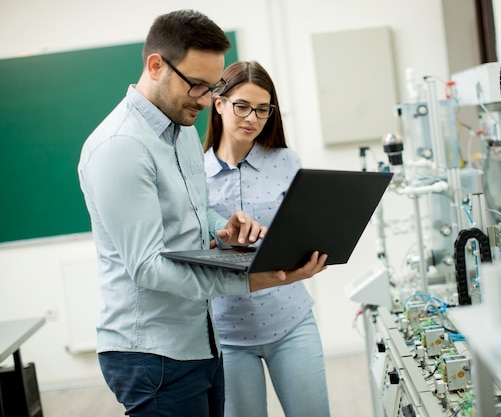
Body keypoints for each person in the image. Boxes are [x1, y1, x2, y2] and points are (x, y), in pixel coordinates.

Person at [77, 10, 327, 417]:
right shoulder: (121, 147)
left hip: (198, 340)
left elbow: (197, 212)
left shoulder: (183, 131)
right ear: (155, 65)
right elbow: (149, 268)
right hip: (152, 354)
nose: (206, 100)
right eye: (196, 85)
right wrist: (253, 280)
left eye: (211, 88)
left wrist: (222, 228)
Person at [203, 61, 331, 417]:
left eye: (262, 109)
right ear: (218, 102)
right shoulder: (195, 174)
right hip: (228, 334)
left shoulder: (285, 161)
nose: (252, 118)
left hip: (290, 320)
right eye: (242, 106)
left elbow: (304, 229)